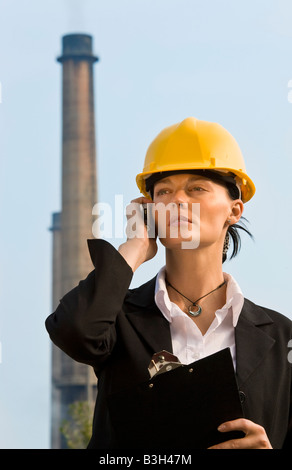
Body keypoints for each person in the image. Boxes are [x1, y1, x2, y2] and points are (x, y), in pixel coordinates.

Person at [46, 117, 292, 449]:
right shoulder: (118, 320)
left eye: (196, 188)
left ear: (234, 210)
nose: (177, 200)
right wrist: (133, 249)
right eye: (163, 191)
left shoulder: (281, 338)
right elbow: (73, 331)